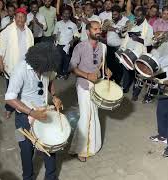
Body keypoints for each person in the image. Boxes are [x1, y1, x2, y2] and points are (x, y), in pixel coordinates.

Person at [5, 42, 62, 180]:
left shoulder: (47, 65)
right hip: (23, 117)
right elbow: (9, 99)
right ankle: (28, 177)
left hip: (44, 112)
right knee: (26, 150)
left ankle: (51, 177)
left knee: (50, 146)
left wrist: (54, 96)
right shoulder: (20, 69)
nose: (46, 71)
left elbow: (51, 80)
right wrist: (31, 112)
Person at [69, 21, 111, 162]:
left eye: (99, 28)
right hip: (83, 85)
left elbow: (103, 64)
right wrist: (87, 75)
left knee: (94, 115)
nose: (98, 31)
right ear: (88, 32)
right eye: (95, 29)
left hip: (97, 85)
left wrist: (106, 70)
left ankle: (89, 146)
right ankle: (81, 149)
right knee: (86, 116)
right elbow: (72, 67)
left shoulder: (104, 47)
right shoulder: (79, 47)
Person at [0, 7, 34, 118]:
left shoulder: (29, 32)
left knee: (24, 88)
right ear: (15, 17)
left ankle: (24, 108)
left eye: (22, 17)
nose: (20, 19)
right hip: (12, 65)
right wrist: (0, 61)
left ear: (25, 18)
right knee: (11, 89)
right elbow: (2, 48)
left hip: (25, 65)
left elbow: (32, 49)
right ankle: (9, 109)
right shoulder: (7, 31)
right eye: (18, 16)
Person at [119, 7, 153, 96]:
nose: (136, 18)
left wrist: (138, 39)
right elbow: (125, 35)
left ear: (144, 16)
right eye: (136, 16)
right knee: (126, 71)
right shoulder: (133, 24)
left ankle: (135, 93)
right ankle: (125, 88)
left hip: (139, 53)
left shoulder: (148, 27)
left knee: (138, 74)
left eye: (139, 16)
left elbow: (150, 42)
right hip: (129, 51)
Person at [53, 7, 79, 80]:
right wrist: (55, 37)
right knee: (58, 60)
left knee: (66, 60)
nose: (66, 15)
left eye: (68, 13)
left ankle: (65, 74)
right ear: (62, 14)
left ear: (70, 14)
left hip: (67, 46)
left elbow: (77, 35)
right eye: (64, 13)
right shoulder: (58, 23)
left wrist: (73, 40)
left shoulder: (73, 24)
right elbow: (54, 33)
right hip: (58, 45)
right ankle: (59, 73)